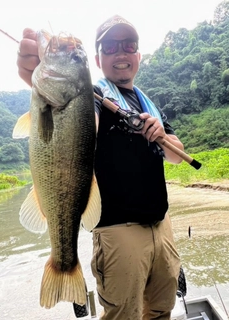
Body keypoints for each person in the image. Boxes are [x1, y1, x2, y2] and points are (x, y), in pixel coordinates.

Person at [17, 15, 184, 320]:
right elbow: (78, 124)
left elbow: (177, 154)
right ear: (97, 59)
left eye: (128, 45)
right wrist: (41, 81)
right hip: (118, 232)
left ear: (138, 55)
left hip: (162, 227)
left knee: (162, 309)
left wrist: (160, 134)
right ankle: (62, 264)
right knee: (123, 314)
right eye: (109, 47)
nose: (120, 53)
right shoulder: (92, 97)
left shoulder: (149, 104)